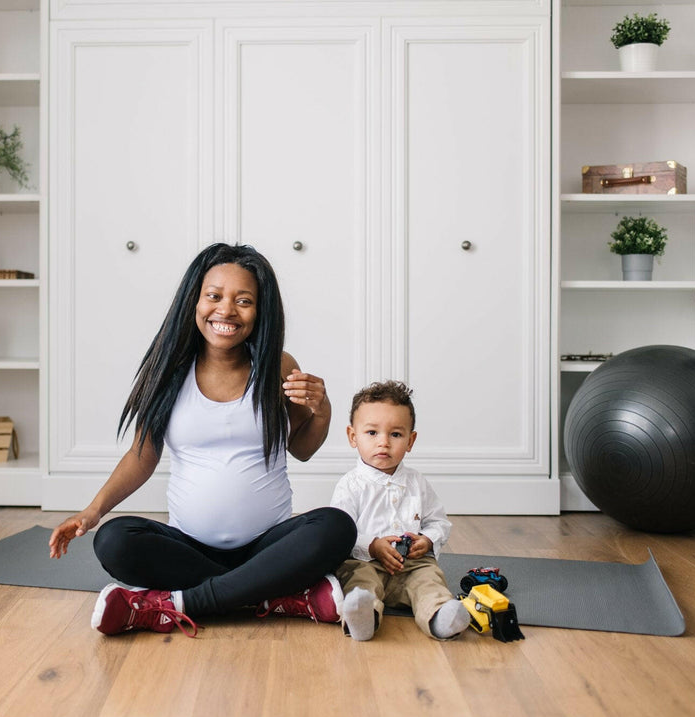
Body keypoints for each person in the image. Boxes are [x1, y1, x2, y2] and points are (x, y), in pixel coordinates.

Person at [48, 243, 356, 637]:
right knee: (113, 540)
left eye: (243, 300)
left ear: (260, 310)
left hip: (268, 544)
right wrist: (92, 512)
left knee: (337, 527)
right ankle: (268, 593)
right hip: (189, 549)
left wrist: (323, 408)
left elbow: (302, 448)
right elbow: (142, 455)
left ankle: (177, 605)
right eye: (214, 296)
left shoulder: (278, 365)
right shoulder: (168, 370)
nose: (225, 310)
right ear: (194, 300)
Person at [329, 380, 470, 641]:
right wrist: (371, 546)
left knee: (429, 582)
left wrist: (427, 540)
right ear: (353, 437)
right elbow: (340, 532)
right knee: (359, 582)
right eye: (372, 433)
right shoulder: (351, 485)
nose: (383, 443)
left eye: (395, 434)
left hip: (412, 565)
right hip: (366, 562)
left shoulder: (417, 483)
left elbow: (438, 521)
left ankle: (441, 617)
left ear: (410, 440)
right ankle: (364, 617)